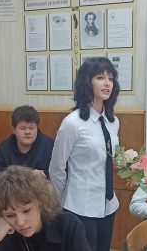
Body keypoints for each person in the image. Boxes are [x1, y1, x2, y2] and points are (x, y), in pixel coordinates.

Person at [48, 57, 120, 251]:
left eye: (110, 78)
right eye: (100, 78)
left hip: (108, 204)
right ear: (87, 82)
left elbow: (111, 159)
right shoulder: (72, 123)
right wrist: (65, 199)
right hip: (80, 206)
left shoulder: (113, 121)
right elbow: (56, 168)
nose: (107, 83)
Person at [0, 165, 92, 251]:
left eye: (26, 211)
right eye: (10, 215)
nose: (20, 222)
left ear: (40, 202)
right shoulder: (5, 237)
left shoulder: (68, 226)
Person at [0, 105, 54, 179]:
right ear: (14, 130)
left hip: (40, 186)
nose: (27, 132)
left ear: (37, 128)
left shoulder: (49, 146)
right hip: (12, 186)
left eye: (31, 128)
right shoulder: (3, 148)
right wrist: (27, 174)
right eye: (23, 128)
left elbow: (54, 174)